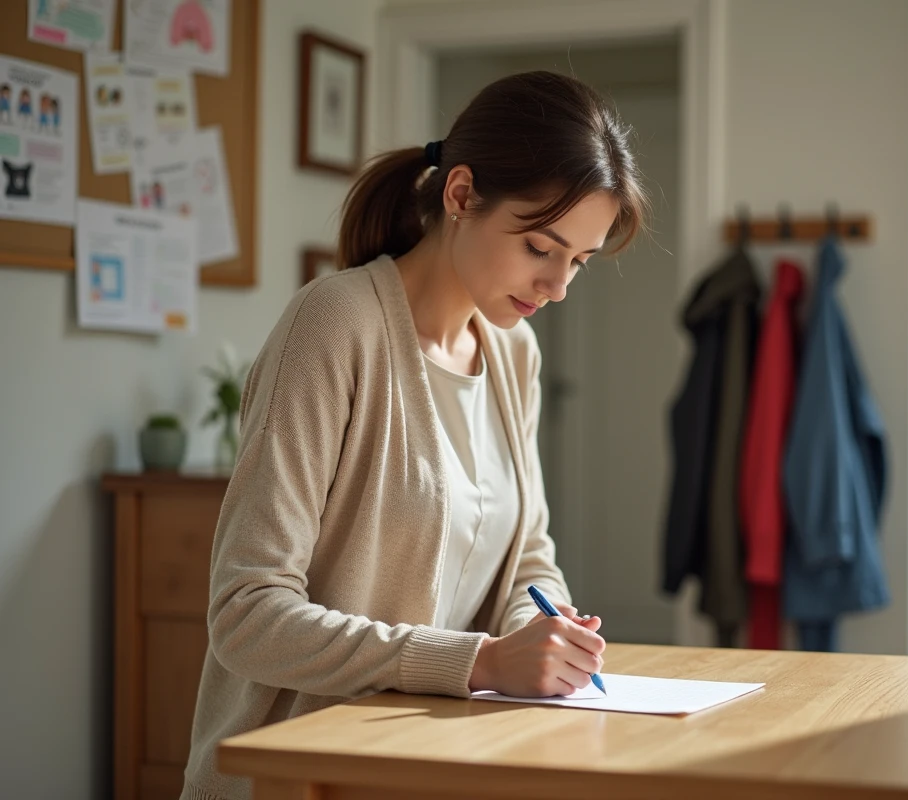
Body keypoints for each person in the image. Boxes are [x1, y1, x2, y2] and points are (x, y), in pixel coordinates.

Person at [181, 70, 649, 800]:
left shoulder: (511, 349)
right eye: (541, 248)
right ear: (460, 196)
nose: (558, 287)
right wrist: (479, 663)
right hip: (296, 777)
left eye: (578, 263)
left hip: (428, 765)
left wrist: (540, 635)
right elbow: (246, 616)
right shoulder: (334, 325)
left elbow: (529, 554)